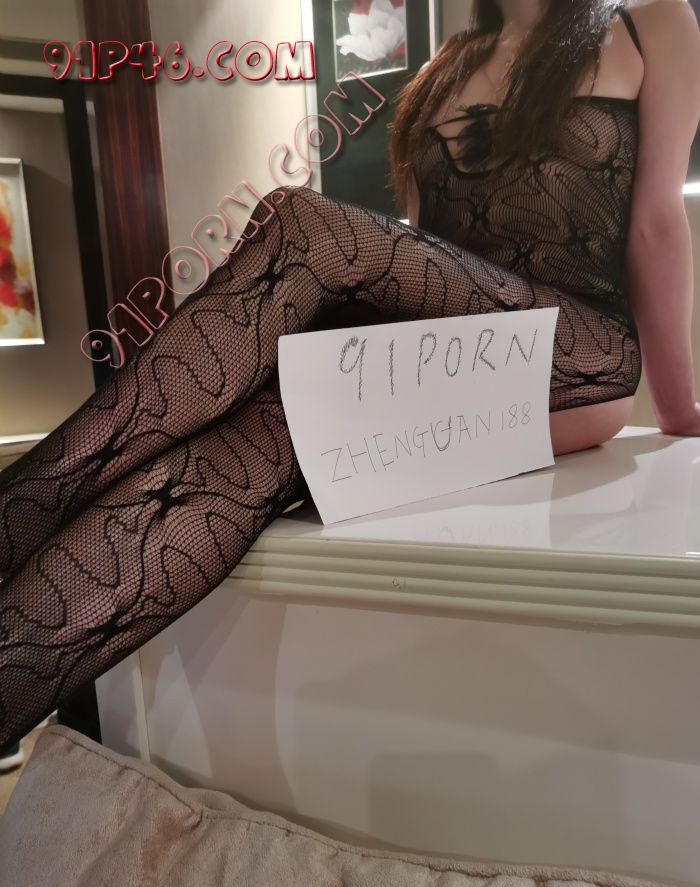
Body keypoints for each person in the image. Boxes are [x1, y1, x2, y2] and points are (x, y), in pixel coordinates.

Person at [0, 0, 698, 750]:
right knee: (240, 448)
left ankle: (23, 504)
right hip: (452, 362)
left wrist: (679, 406)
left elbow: (656, 219)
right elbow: (426, 259)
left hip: (578, 356)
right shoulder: (448, 67)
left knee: (301, 224)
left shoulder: (649, 21)